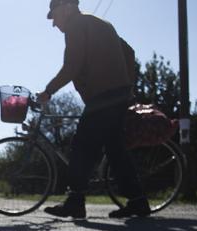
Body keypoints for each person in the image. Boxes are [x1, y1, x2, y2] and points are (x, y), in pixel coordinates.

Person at [38, 0, 150, 219]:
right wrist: (128, 86)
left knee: (82, 145)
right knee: (115, 150)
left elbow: (72, 66)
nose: (54, 24)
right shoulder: (99, 23)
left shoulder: (76, 25)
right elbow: (129, 51)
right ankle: (138, 201)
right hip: (115, 94)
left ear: (67, 8)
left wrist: (48, 91)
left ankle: (75, 201)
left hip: (104, 97)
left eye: (55, 16)